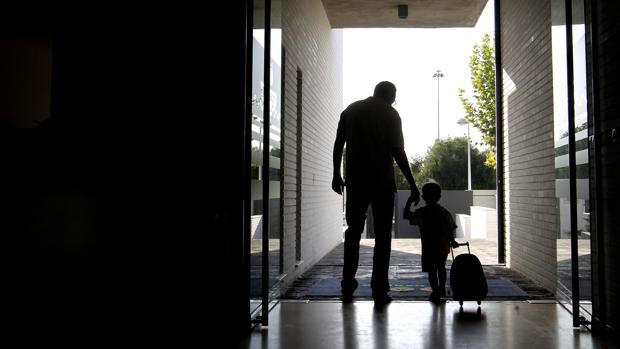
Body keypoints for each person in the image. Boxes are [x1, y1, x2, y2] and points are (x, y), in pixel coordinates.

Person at [332, 81, 420, 305]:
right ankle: (379, 287)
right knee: (383, 236)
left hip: (356, 181)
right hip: (382, 182)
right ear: (390, 95)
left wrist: (336, 174)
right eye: (394, 97)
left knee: (353, 232)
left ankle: (347, 283)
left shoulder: (350, 110)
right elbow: (398, 151)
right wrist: (412, 183)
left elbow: (338, 144)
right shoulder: (391, 114)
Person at [403, 181, 459, 304]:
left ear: (423, 198)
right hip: (442, 246)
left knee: (432, 271)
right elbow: (449, 228)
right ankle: (442, 288)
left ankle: (435, 291)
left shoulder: (422, 213)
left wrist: (410, 200)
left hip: (428, 247)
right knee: (441, 267)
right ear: (439, 197)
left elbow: (406, 215)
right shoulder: (444, 212)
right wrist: (453, 241)